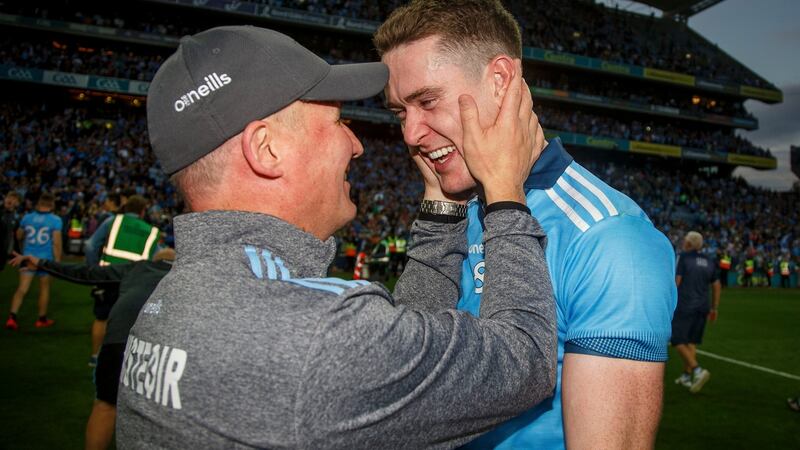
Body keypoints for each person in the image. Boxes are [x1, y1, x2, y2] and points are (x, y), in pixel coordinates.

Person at [116, 25, 558, 448]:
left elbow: (403, 362)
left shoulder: (171, 300)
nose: (356, 144)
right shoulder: (317, 336)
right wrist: (504, 190)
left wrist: (443, 211)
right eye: (339, 121)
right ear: (267, 149)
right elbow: (524, 359)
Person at [375, 1, 677, 447]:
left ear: (499, 80)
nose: (410, 133)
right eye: (401, 112)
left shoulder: (610, 238)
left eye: (427, 101)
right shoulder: (457, 211)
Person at [9, 248, 175, 450]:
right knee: (163, 412)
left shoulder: (137, 268)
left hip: (118, 341)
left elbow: (86, 272)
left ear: (154, 259)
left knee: (106, 405)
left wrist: (41, 263)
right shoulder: (185, 271)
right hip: (164, 346)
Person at [84, 195, 161, 367]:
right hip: (133, 280)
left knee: (102, 317)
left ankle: (95, 356)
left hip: (108, 277)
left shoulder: (113, 222)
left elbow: (89, 245)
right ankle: (125, 358)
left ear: (126, 208)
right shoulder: (151, 231)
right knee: (130, 320)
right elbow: (158, 255)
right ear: (142, 212)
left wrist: (95, 269)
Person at [5, 193, 62, 330]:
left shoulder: (27, 217)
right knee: (44, 288)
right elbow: (57, 243)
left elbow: (19, 235)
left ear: (39, 203)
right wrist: (58, 261)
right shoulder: (55, 220)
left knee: (22, 289)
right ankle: (41, 319)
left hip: (27, 257)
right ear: (52, 205)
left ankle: (12, 317)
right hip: (44, 260)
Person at [671, 231, 720, 394]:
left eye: (685, 240)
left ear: (689, 244)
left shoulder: (683, 257)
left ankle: (697, 370)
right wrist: (714, 308)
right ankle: (686, 375)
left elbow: (676, 283)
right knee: (691, 341)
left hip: (685, 306)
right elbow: (716, 285)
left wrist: (668, 301)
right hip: (702, 307)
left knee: (677, 340)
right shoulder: (709, 261)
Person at [0, 191, 22, 270]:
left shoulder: (17, 218)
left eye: (13, 199)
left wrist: (19, 254)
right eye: (8, 197)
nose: (10, 200)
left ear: (17, 204)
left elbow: (16, 238)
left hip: (3, 251)